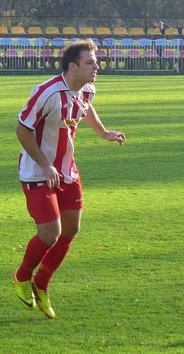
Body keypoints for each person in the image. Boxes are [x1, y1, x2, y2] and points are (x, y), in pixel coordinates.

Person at [12, 39, 125, 319]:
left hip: (67, 171)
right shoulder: (46, 92)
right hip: (38, 171)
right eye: (90, 62)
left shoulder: (87, 89)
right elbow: (22, 130)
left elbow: (86, 109)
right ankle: (22, 276)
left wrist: (104, 133)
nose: (96, 67)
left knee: (71, 230)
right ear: (73, 66)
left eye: (96, 62)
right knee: (49, 234)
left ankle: (42, 284)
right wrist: (45, 165)